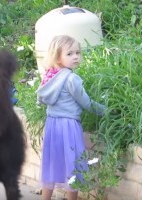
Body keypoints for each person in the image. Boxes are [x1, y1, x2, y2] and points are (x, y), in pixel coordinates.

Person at [36, 35, 106, 200]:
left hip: (52, 125)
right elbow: (86, 103)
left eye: (78, 52)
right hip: (69, 126)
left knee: (52, 165)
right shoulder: (71, 79)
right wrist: (107, 111)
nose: (76, 56)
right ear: (57, 57)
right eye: (69, 54)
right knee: (73, 167)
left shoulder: (49, 76)